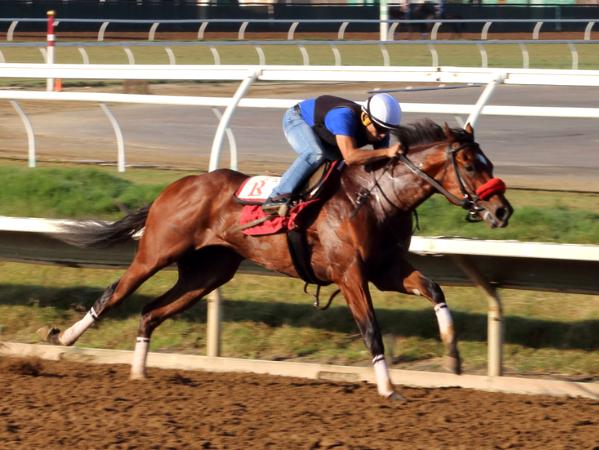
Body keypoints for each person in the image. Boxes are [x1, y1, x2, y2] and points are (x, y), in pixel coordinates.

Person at [262, 92, 403, 210]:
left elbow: (382, 165)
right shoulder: (344, 117)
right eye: (380, 129)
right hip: (298, 119)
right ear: (365, 118)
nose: (384, 135)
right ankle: (277, 196)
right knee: (315, 153)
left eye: (388, 130)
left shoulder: (379, 128)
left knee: (338, 166)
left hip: (326, 132)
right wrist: (386, 152)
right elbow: (351, 156)